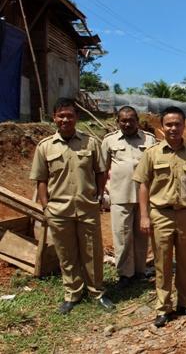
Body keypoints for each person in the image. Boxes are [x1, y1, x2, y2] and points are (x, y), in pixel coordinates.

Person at [30, 97, 114, 314]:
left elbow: (100, 172)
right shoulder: (45, 147)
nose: (65, 119)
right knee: (66, 254)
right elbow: (41, 179)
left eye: (70, 115)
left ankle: (97, 292)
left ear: (77, 117)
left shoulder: (90, 143)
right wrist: (45, 206)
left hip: (87, 207)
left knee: (92, 252)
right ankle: (72, 294)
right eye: (61, 116)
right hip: (59, 210)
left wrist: (97, 195)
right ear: (54, 118)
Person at [132, 106, 186, 328]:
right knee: (162, 262)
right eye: (169, 124)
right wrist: (144, 216)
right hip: (161, 215)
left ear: (184, 126)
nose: (173, 128)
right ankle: (163, 307)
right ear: (162, 127)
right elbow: (143, 185)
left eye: (177, 124)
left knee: (185, 261)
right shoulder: (152, 153)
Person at [101, 106, 156, 289]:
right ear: (118, 122)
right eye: (123, 121)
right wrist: (101, 193)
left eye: (131, 120)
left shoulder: (149, 139)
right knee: (122, 237)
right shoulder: (109, 141)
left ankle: (139, 272)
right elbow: (102, 170)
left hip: (143, 198)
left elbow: (155, 169)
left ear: (137, 121)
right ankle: (125, 274)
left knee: (142, 237)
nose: (127, 124)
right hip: (120, 196)